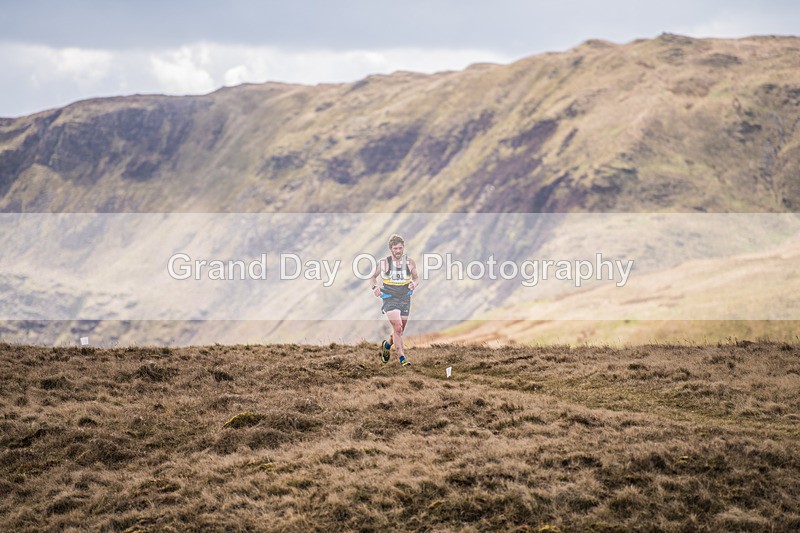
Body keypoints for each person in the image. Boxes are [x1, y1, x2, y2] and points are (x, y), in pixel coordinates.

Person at [369, 234, 419, 366]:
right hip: (389, 298)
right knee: (397, 327)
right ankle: (402, 358)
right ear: (391, 249)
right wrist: (375, 287)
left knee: (399, 330)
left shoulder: (410, 262)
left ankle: (387, 345)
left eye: (400, 248)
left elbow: (416, 278)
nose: (398, 251)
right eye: (395, 248)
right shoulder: (384, 263)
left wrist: (414, 284)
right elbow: (372, 277)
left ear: (403, 248)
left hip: (404, 298)